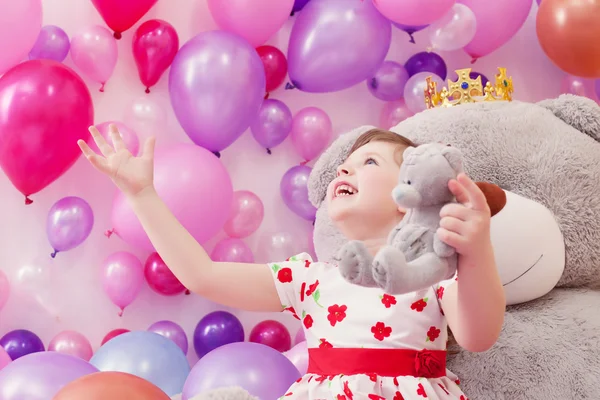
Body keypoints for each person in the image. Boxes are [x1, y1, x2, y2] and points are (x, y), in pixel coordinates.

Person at [79, 126, 505, 399]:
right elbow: (201, 275)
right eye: (343, 167)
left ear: (410, 196)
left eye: (368, 163)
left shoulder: (432, 273)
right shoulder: (308, 278)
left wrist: (476, 249)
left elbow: (479, 335)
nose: (344, 172)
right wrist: (142, 195)